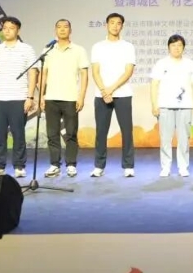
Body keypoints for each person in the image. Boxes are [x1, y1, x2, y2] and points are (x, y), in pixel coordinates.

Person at [0, 17, 37, 178]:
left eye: (11, 28)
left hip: (19, 97)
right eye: (5, 28)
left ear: (18, 30)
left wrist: (30, 97)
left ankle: (19, 166)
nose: (7, 31)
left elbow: (32, 73)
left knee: (18, 134)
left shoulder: (27, 49)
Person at [40, 19, 89, 178]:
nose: (62, 29)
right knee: (52, 134)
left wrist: (81, 96)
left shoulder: (79, 50)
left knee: (71, 133)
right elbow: (43, 74)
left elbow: (84, 74)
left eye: (65, 27)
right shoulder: (48, 50)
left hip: (70, 98)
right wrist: (41, 96)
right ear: (55, 30)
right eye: (59, 27)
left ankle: (71, 164)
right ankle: (54, 164)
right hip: (51, 98)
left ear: (70, 30)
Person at [91, 12, 136, 177]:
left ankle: (128, 166)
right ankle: (99, 166)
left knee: (127, 131)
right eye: (112, 23)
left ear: (122, 26)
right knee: (101, 132)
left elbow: (128, 71)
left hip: (123, 94)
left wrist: (111, 89)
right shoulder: (98, 47)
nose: (115, 26)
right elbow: (95, 72)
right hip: (101, 95)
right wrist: (104, 90)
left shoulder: (128, 46)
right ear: (106, 25)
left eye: (118, 23)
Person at [151, 34, 193, 177]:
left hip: (185, 106)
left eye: (179, 45)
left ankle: (183, 167)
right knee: (165, 138)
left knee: (184, 138)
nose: (176, 48)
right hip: (165, 105)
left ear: (183, 47)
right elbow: (154, 84)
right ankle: (165, 167)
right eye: (173, 45)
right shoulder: (161, 64)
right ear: (168, 47)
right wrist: (154, 104)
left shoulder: (190, 64)